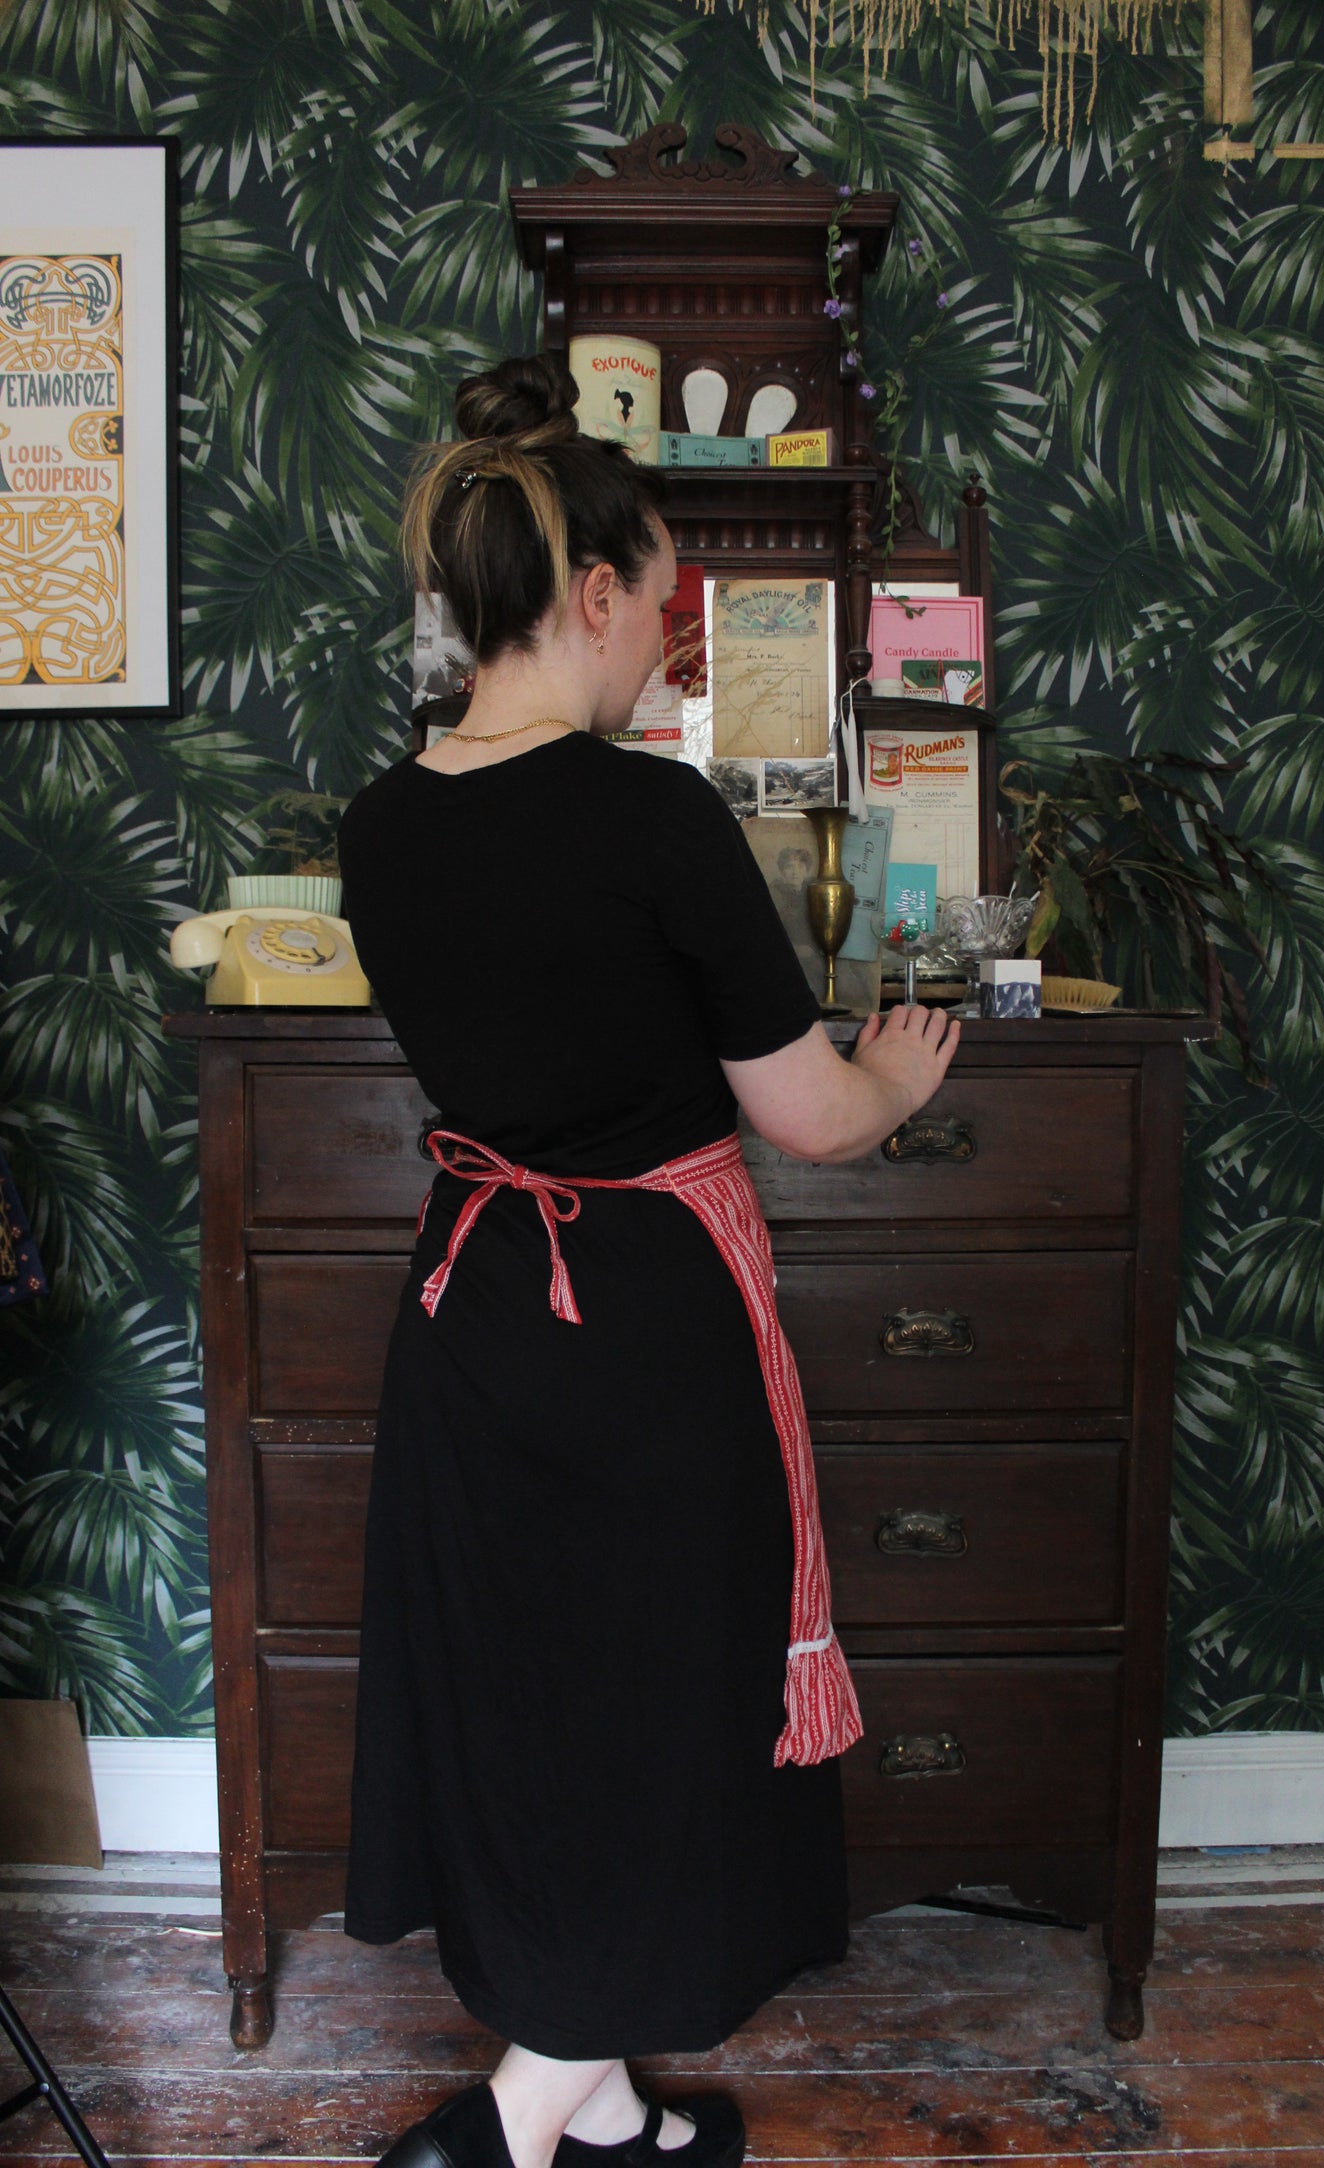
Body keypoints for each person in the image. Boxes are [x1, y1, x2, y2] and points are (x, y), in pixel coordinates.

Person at [338, 354, 960, 2168]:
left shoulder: (384, 821)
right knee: (655, 1712)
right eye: (665, 608)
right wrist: (900, 1075)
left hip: (471, 1315)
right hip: (641, 1337)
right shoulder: (647, 818)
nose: (673, 647)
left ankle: (598, 2105)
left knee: (536, 1704)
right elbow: (810, 1117)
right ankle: (514, 2122)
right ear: (591, 595)